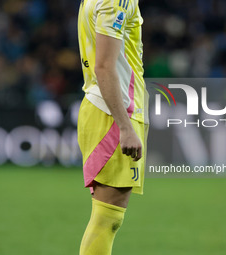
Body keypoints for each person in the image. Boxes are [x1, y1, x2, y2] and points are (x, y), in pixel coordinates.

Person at [77, 0, 149, 254]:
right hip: (114, 113)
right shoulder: (117, 0)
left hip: (105, 108)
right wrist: (126, 127)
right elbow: (104, 66)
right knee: (108, 219)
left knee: (106, 217)